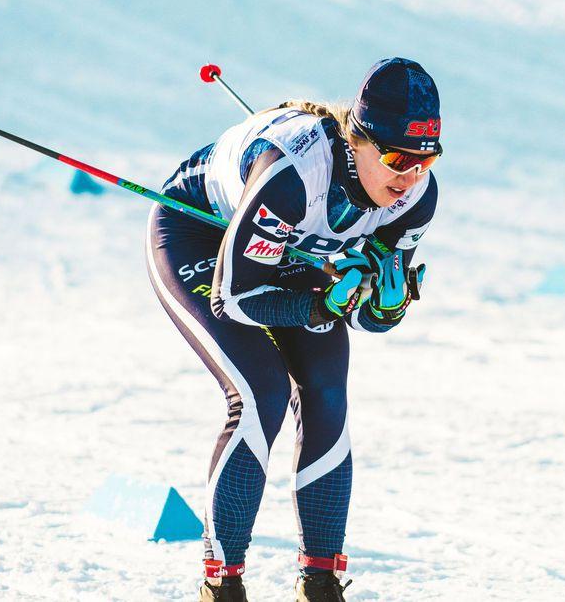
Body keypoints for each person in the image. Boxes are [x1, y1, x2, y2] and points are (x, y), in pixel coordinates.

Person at [146, 58, 441, 602]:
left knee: (328, 392)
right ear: (360, 141)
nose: (409, 178)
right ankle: (223, 585)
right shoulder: (293, 175)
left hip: (288, 248)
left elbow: (367, 312)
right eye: (399, 159)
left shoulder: (416, 197)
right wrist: (318, 304)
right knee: (262, 392)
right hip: (199, 237)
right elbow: (233, 298)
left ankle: (321, 582)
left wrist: (380, 305)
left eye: (425, 160)